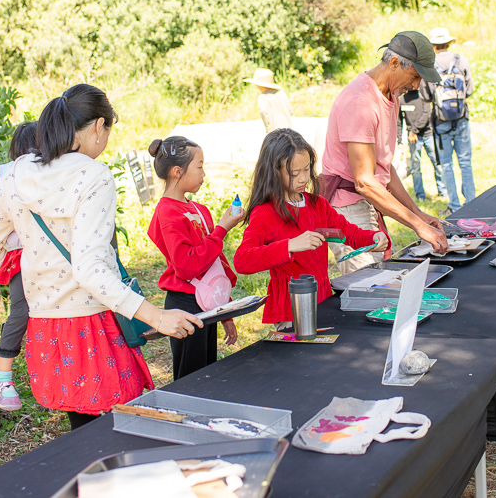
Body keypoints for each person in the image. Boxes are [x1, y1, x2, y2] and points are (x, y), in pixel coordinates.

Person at [0, 85, 201, 431]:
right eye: (108, 129)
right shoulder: (93, 175)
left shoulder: (16, 175)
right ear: (97, 126)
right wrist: (157, 317)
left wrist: (37, 259)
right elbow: (90, 269)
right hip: (90, 323)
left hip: (45, 326)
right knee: (114, 433)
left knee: (81, 432)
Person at [320, 31, 448, 275]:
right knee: (368, 286)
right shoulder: (360, 102)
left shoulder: (390, 94)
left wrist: (418, 214)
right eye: (414, 76)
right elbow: (365, 183)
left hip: (367, 200)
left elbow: (384, 168)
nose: (416, 86)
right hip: (348, 206)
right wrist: (417, 225)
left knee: (378, 281)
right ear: (394, 63)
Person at [234, 129, 388, 327]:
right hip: (291, 309)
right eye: (294, 173)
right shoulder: (265, 213)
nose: (302, 179)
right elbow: (242, 261)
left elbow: (348, 233)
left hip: (322, 300)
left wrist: (375, 237)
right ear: (273, 172)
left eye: (306, 169)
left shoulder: (318, 204)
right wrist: (289, 245)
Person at [147, 135, 243, 379]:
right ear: (178, 171)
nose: (204, 173)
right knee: (191, 378)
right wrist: (222, 228)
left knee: (207, 372)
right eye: (199, 166)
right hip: (186, 306)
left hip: (208, 302)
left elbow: (214, 266)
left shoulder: (200, 209)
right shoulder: (167, 212)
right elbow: (187, 266)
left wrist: (225, 309)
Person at [0, 121, 38, 412]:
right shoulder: (12, 176)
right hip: (20, 255)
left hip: (39, 255)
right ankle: (3, 377)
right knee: (21, 310)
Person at [422, 27, 475, 212]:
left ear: (434, 45)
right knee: (465, 162)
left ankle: (454, 205)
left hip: (440, 121)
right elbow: (469, 91)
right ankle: (471, 202)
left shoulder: (430, 65)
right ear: (448, 42)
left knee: (446, 164)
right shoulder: (461, 61)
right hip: (461, 117)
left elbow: (426, 95)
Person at [398, 88, 446, 201]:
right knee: (416, 167)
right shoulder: (401, 100)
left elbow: (426, 115)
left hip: (427, 135)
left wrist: (413, 130)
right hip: (413, 139)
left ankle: (443, 192)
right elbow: (398, 122)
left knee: (437, 163)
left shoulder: (423, 96)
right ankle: (420, 195)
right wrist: (399, 140)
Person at [243, 68, 293, 133]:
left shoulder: (262, 97)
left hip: (275, 134)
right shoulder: (282, 93)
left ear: (260, 85)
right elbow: (290, 110)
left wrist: (269, 133)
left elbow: (264, 112)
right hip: (289, 132)